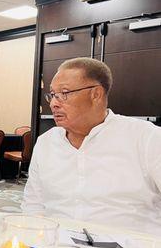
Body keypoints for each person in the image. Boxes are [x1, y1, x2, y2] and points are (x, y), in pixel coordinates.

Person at [22, 57, 161, 235]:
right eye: (52, 94)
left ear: (96, 94)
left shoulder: (146, 138)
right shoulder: (46, 142)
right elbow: (33, 204)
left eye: (64, 93)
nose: (53, 103)